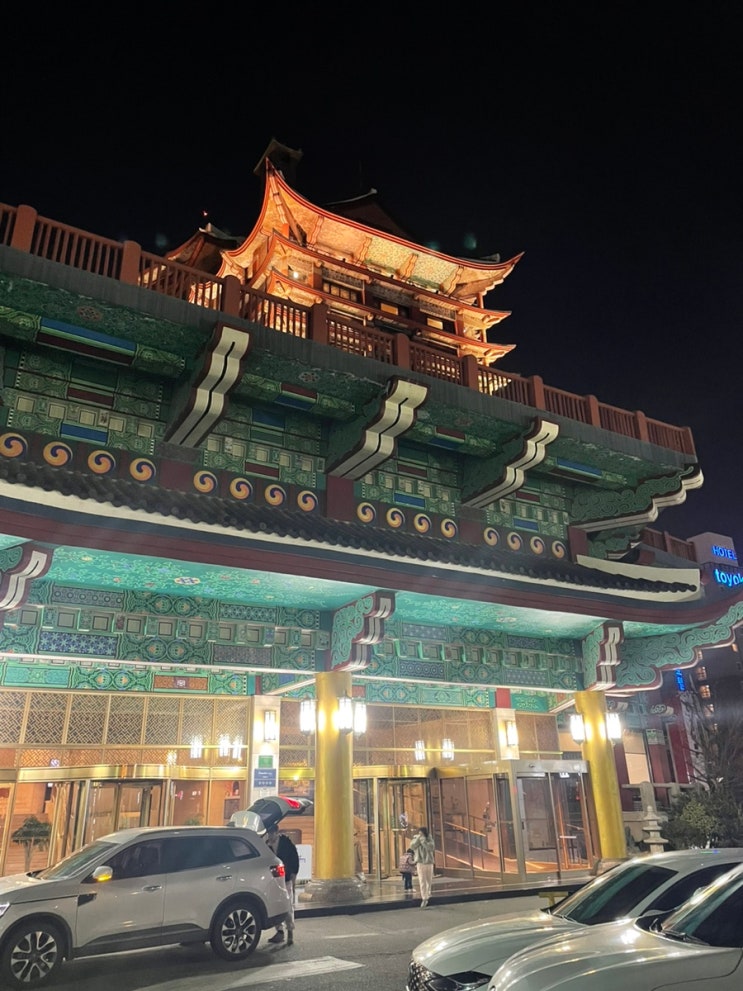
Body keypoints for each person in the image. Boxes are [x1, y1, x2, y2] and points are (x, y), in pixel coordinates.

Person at [265, 825, 299, 945]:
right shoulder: (267, 845)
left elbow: (294, 859)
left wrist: (293, 875)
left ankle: (290, 930)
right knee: (275, 905)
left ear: (277, 832)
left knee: (287, 905)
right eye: (268, 833)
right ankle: (279, 931)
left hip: (286, 878)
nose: (270, 836)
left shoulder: (286, 843)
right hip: (273, 879)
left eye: (271, 833)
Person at [410, 826, 435, 908]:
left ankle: (428, 894)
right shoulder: (416, 838)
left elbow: (431, 848)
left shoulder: (429, 839)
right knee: (422, 880)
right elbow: (412, 846)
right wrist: (418, 839)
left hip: (429, 862)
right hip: (420, 863)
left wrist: (424, 842)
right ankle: (424, 898)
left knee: (429, 880)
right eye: (419, 832)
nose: (420, 834)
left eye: (422, 832)